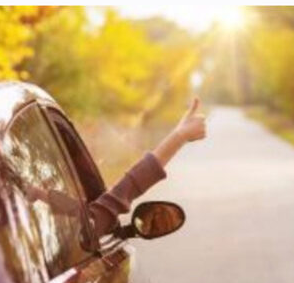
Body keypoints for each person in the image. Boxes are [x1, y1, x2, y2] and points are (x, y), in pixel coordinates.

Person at [25, 97, 206, 238]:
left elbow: (74, 209)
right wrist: (179, 136)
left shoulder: (18, 228)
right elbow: (126, 189)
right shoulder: (82, 230)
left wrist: (39, 193)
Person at [87, 97, 206, 237]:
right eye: (154, 224)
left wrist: (180, 135)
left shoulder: (70, 224)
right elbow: (114, 201)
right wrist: (179, 136)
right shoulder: (77, 231)